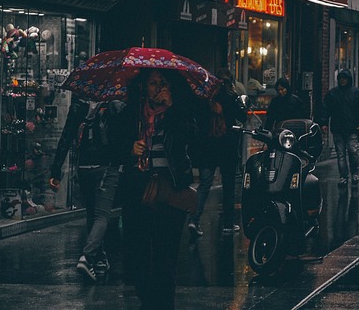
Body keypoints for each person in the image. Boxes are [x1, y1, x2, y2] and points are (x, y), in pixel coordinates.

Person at [113, 69, 197, 310]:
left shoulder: (177, 113)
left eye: (162, 83)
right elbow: (112, 147)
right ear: (142, 87)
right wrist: (130, 149)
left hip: (171, 191)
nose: (158, 88)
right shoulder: (130, 115)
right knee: (138, 256)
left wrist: (173, 109)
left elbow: (192, 139)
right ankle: (148, 301)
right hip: (138, 190)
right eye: (153, 83)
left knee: (165, 258)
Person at [49, 96, 123, 281]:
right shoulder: (114, 106)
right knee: (102, 215)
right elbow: (124, 137)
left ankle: (99, 258)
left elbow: (65, 138)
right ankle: (88, 256)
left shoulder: (78, 108)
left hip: (83, 168)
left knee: (92, 213)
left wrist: (56, 171)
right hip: (105, 167)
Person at [188, 83, 246, 237]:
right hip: (227, 148)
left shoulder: (204, 99)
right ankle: (228, 223)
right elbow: (242, 117)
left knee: (204, 185)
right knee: (229, 186)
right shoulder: (232, 98)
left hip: (207, 149)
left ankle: (194, 219)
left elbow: (198, 122)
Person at [319, 69, 359, 184]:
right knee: (342, 154)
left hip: (351, 128)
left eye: (344, 78)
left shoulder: (355, 93)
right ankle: (344, 176)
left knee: (352, 152)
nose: (342, 81)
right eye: (341, 78)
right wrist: (323, 123)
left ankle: (354, 173)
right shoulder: (333, 94)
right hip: (339, 128)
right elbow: (325, 109)